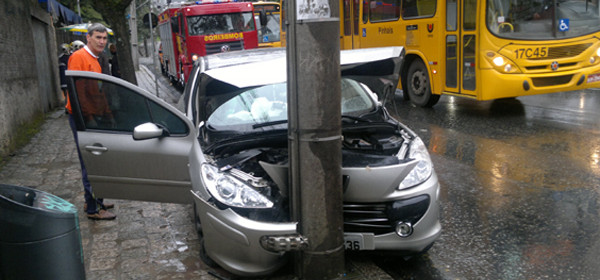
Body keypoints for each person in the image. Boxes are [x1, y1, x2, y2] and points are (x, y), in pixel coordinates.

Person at [67, 23, 116, 220]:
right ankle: (94, 209)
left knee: (96, 160)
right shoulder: (79, 57)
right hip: (84, 118)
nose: (102, 42)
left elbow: (98, 91)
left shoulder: (96, 59)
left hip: (94, 115)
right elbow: (79, 94)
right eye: (98, 37)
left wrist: (107, 113)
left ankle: (94, 199)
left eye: (104, 38)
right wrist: (89, 119)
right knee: (91, 162)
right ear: (88, 37)